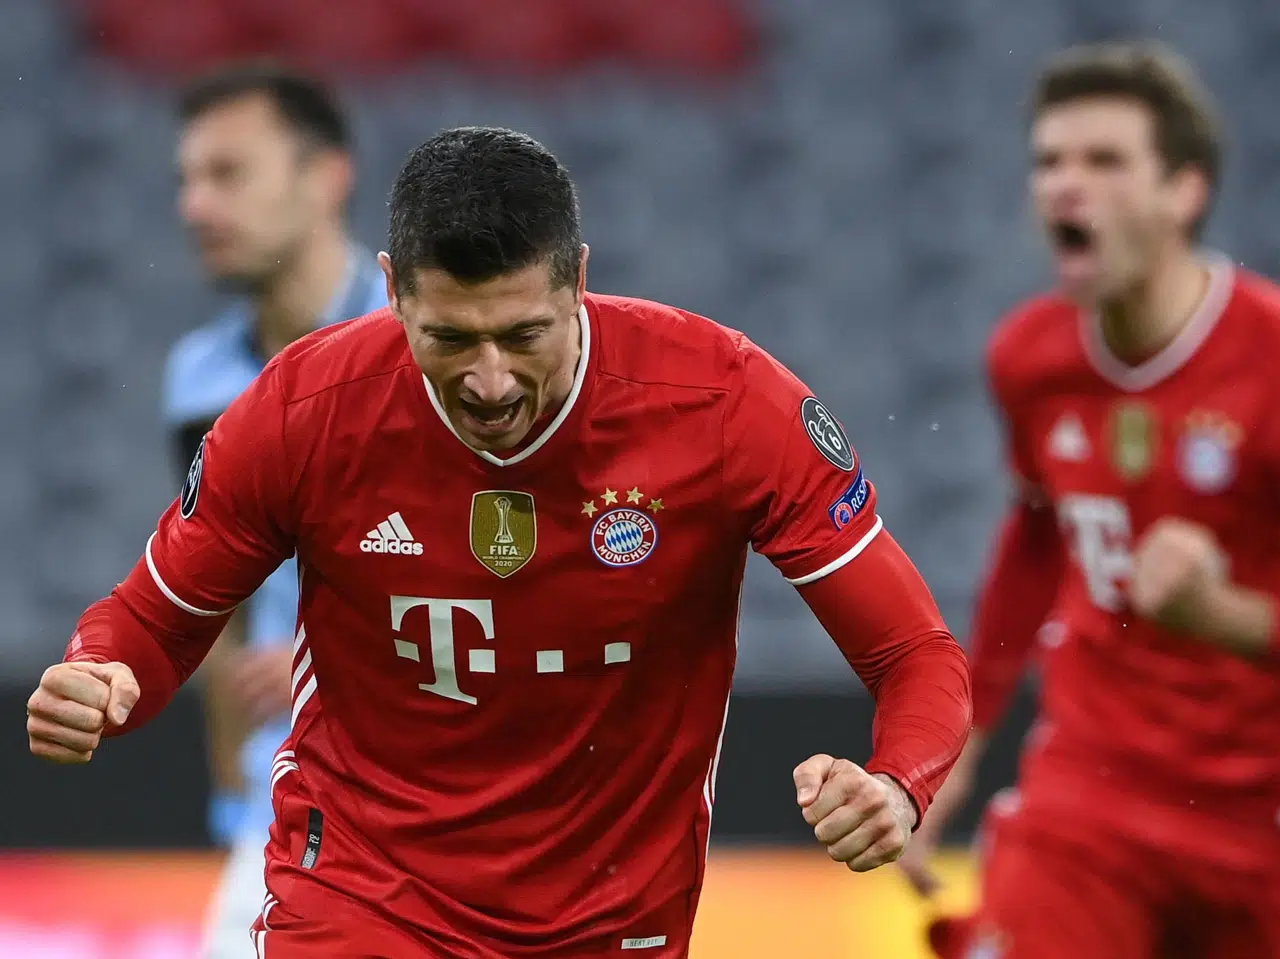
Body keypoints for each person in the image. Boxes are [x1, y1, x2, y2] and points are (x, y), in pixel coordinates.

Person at [26, 126, 973, 958]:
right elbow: (152, 618)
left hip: (612, 919)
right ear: (393, 290)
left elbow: (916, 655)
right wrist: (101, 674)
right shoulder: (301, 411)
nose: (488, 382)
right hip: (363, 892)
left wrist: (896, 783)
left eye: (524, 334)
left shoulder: (725, 406)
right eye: (448, 339)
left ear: (580, 284)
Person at [900, 40, 1280, 959]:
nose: (1065, 185)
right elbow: (1037, 534)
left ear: (1185, 190)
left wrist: (1220, 612)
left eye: (1104, 161)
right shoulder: (1031, 357)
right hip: (1094, 792)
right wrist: (960, 740)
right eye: (1050, 161)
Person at [164, 63, 388, 959]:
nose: (196, 206)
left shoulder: (431, 348)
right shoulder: (199, 378)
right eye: (186, 179)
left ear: (327, 177)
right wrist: (232, 790)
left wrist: (328, 648)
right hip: (276, 818)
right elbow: (210, 588)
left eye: (228, 174)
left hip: (417, 818)